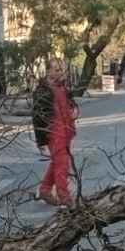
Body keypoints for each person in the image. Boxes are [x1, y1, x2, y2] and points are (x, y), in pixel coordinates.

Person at [32, 58, 79, 205]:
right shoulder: (41, 92)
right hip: (53, 133)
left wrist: (76, 110)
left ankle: (44, 190)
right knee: (62, 164)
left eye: (60, 69)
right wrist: (41, 141)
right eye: (57, 70)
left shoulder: (62, 87)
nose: (60, 73)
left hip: (66, 131)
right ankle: (64, 197)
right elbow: (37, 118)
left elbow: (72, 103)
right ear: (48, 71)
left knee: (57, 163)